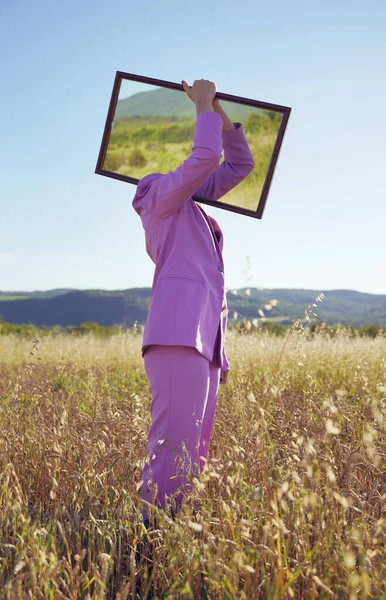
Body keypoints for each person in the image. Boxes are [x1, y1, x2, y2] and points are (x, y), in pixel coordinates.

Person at [132, 79, 255, 524]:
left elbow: (240, 164)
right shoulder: (157, 195)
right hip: (178, 333)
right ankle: (147, 546)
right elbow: (204, 158)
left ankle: (172, 534)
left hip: (204, 340)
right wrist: (201, 102)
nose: (178, 172)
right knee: (173, 450)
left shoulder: (192, 205)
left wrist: (218, 112)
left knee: (193, 454)